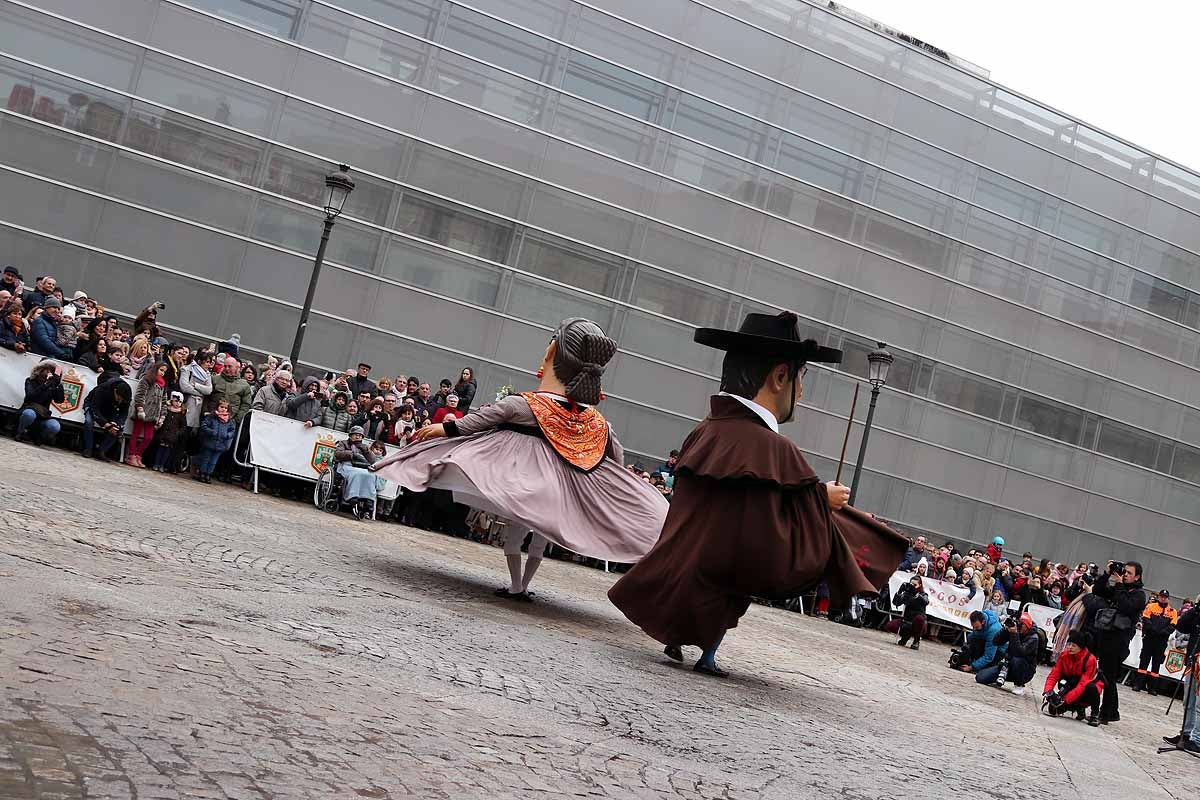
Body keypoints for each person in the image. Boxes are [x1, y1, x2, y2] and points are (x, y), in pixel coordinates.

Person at [607, 312, 907, 677]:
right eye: (801, 378)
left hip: (690, 560)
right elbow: (766, 515)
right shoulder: (772, 448)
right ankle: (703, 651)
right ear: (780, 377)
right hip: (726, 564)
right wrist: (821, 497)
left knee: (711, 594)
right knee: (727, 591)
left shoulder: (706, 430)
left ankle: (690, 642)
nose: (802, 391)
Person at [373, 317, 669, 601]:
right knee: (540, 538)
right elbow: (615, 457)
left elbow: (480, 421)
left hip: (526, 485)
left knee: (516, 535)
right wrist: (614, 493)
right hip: (562, 496)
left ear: (552, 350)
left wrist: (444, 428)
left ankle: (517, 586)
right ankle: (521, 586)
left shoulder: (524, 404)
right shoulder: (596, 421)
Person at [1089, 561, 1147, 723]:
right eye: (1124, 572)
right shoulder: (1120, 588)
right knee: (1106, 675)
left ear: (1137, 576)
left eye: (1129, 573)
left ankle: (1106, 713)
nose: (1125, 575)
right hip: (1106, 636)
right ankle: (1111, 712)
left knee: (1108, 677)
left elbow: (1125, 607)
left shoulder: (1139, 594)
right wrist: (1107, 574)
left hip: (1119, 641)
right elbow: (1098, 590)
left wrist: (1120, 585)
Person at [1160, 594, 1200, 755]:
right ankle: (1186, 734)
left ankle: (1197, 739)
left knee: (1199, 705)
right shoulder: (1197, 614)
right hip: (1193, 662)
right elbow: (1182, 625)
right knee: (1188, 701)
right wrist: (1196, 608)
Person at [1043, 630, 1104, 726]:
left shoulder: (1090, 660)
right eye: (1069, 644)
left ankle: (1094, 714)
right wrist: (1048, 691)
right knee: (1053, 709)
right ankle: (1078, 708)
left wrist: (1064, 700)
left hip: (1086, 689)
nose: (1070, 647)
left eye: (1074, 645)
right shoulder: (1064, 655)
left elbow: (1082, 685)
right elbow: (1054, 675)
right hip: (1071, 684)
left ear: (1081, 647)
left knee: (1091, 688)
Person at [977, 611, 1039, 695]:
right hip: (1008, 666)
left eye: (1022, 624)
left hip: (1024, 670)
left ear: (1027, 626)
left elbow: (1019, 652)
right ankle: (1000, 678)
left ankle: (1019, 685)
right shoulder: (1013, 630)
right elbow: (996, 641)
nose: (1019, 626)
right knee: (980, 677)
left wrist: (1014, 634)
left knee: (1017, 660)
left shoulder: (1033, 638)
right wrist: (1005, 630)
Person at [1133, 589, 1178, 696]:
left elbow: (1172, 626)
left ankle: (1152, 688)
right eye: (1161, 596)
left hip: (1161, 641)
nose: (1163, 598)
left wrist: (1161, 632)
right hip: (1149, 638)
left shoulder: (1173, 611)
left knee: (1156, 664)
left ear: (1168, 598)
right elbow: (1146, 619)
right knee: (1144, 660)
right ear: (1158, 597)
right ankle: (1138, 684)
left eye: (1165, 597)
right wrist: (1153, 630)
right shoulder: (1151, 606)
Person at [15, 360, 65, 446]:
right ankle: (20, 432)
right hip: (29, 410)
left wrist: (58, 385)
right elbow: (30, 396)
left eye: (51, 370)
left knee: (55, 426)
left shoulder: (53, 384)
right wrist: (45, 385)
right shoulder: (30, 381)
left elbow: (59, 400)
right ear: (40, 369)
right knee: (29, 414)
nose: (49, 372)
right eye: (47, 369)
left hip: (43, 416)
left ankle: (39, 438)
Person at [334, 426, 380, 520]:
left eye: (360, 436)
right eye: (356, 435)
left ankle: (368, 500)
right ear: (351, 435)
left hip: (361, 466)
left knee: (370, 475)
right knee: (356, 474)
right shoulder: (343, 443)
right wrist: (352, 454)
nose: (358, 437)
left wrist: (367, 451)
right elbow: (337, 454)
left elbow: (373, 460)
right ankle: (352, 496)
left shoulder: (364, 446)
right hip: (346, 465)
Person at [128, 361, 167, 469]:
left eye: (164, 371)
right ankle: (132, 455)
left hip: (154, 414)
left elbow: (164, 400)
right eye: (161, 370)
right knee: (135, 434)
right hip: (143, 411)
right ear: (155, 369)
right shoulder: (146, 379)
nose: (163, 373)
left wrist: (162, 415)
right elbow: (140, 394)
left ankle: (139, 455)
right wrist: (140, 408)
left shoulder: (163, 384)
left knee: (148, 437)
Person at [82, 377, 131, 461]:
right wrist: (105, 423)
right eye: (119, 398)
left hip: (111, 409)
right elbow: (94, 408)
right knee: (88, 422)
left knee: (118, 429)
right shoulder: (103, 389)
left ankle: (102, 451)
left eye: (122, 400)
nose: (120, 401)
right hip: (92, 403)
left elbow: (124, 413)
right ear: (115, 391)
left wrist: (117, 424)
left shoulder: (126, 395)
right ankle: (88, 449)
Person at [195, 399, 237, 484]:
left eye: (226, 408)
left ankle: (208, 474)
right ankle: (202, 473)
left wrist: (227, 435)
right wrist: (210, 431)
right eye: (221, 407)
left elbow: (233, 430)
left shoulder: (230, 420)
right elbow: (204, 425)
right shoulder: (211, 416)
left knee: (213, 461)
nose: (223, 409)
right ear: (217, 407)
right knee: (205, 459)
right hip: (209, 442)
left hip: (221, 444)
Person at [959, 608, 1006, 674]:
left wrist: (971, 667)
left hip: (999, 652)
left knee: (983, 671)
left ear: (983, 622)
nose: (974, 629)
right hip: (987, 643)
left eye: (977, 627)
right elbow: (974, 635)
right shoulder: (980, 622)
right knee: (972, 639)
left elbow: (989, 656)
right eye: (973, 627)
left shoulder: (994, 630)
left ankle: (978, 665)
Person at [151, 391, 188, 473]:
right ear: (172, 400)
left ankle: (162, 465)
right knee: (160, 450)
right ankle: (156, 464)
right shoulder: (167, 410)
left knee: (167, 451)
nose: (178, 403)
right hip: (163, 434)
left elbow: (183, 426)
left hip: (172, 436)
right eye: (176, 401)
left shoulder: (181, 413)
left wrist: (177, 433)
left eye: (180, 402)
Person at [892, 575, 930, 650]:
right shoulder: (906, 594)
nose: (912, 586)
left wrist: (916, 594)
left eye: (915, 585)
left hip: (919, 623)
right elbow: (896, 603)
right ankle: (905, 637)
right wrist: (899, 592)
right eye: (911, 584)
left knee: (919, 619)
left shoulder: (923, 594)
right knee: (891, 625)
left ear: (919, 585)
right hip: (907, 620)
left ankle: (916, 641)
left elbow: (926, 601)